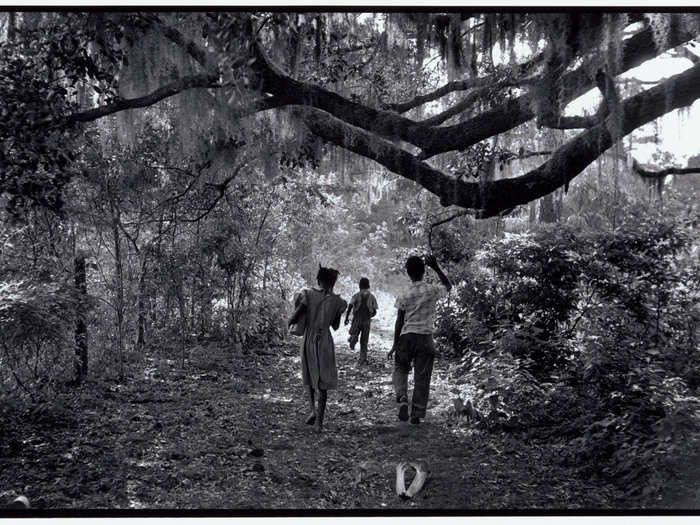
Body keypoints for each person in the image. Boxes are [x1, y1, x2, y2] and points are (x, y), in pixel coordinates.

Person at [388, 254, 451, 425]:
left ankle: (401, 396)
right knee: (422, 377)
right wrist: (436, 267)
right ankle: (416, 414)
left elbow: (399, 321)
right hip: (425, 337)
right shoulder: (431, 290)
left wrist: (395, 344)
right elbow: (448, 286)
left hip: (406, 336)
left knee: (400, 367)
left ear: (408, 273)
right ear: (424, 272)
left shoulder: (404, 294)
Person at [288, 265, 347, 433]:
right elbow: (335, 326)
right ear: (333, 282)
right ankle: (320, 424)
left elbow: (296, 315)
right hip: (325, 341)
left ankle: (312, 410)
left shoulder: (308, 294)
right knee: (323, 381)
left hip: (309, 339)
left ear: (319, 280)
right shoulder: (338, 301)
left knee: (308, 374)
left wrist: (290, 321)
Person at [344, 277, 378, 365]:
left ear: (359, 286)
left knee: (354, 332)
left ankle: (353, 339)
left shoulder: (356, 295)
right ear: (368, 286)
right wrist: (371, 315)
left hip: (357, 318)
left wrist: (347, 317)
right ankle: (363, 359)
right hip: (367, 319)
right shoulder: (372, 296)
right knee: (364, 339)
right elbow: (374, 311)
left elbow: (350, 305)